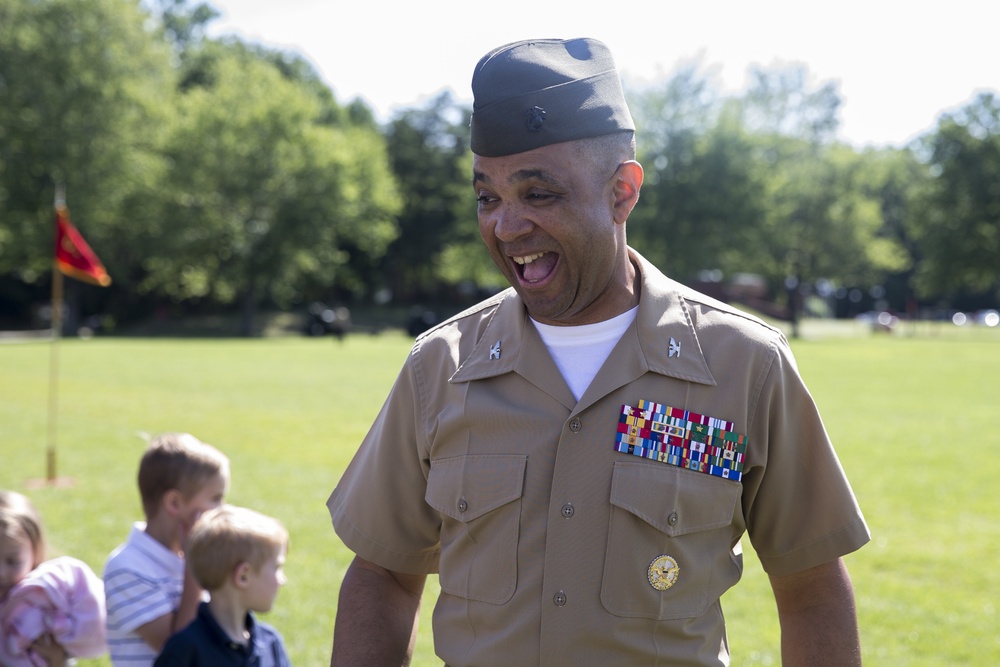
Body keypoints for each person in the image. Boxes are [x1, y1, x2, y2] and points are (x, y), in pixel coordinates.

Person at [327, 37, 870, 667]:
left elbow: (810, 588)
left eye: (538, 194)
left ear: (622, 192)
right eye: (487, 197)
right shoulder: (440, 367)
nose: (506, 226)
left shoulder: (744, 364)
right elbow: (385, 577)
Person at [103, 433, 230, 666]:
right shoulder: (127, 568)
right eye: (216, 499)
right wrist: (194, 565)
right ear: (174, 503)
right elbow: (178, 651)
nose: (223, 510)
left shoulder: (194, 558)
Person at [154, 504, 291, 667]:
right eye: (276, 568)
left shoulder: (271, 643)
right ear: (243, 576)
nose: (283, 580)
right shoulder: (184, 651)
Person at [0, 490, 106, 667]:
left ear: (35, 551)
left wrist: (57, 659)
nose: (1, 573)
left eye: (12, 561)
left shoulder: (47, 601)